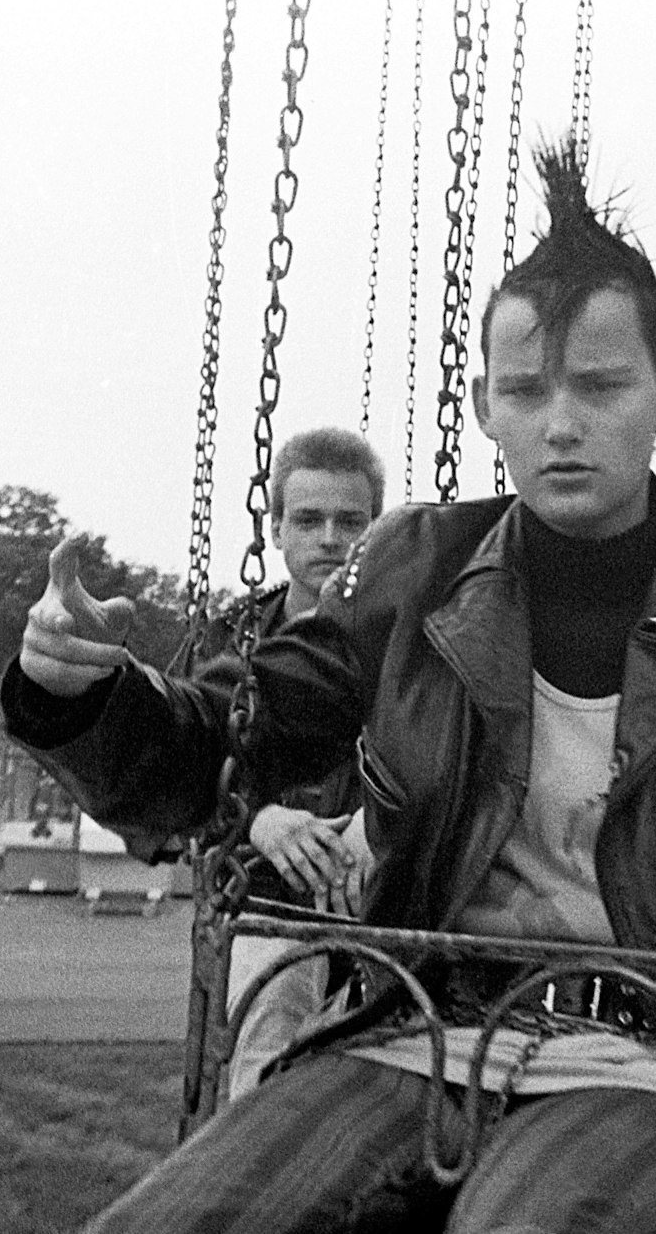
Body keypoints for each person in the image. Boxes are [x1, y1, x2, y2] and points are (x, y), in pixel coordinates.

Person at [2, 142, 656, 1234]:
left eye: (599, 387)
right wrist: (79, 696)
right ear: (483, 405)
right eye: (524, 390)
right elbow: (229, 739)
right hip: (411, 1026)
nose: (559, 423)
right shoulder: (413, 571)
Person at [214, 426, 387, 1101]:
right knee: (268, 1055)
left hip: (388, 906)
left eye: (351, 521)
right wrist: (258, 819)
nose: (329, 539)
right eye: (309, 520)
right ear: (277, 527)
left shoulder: (421, 641)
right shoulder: (233, 644)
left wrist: (382, 823)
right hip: (271, 904)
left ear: (378, 531)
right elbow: (187, 771)